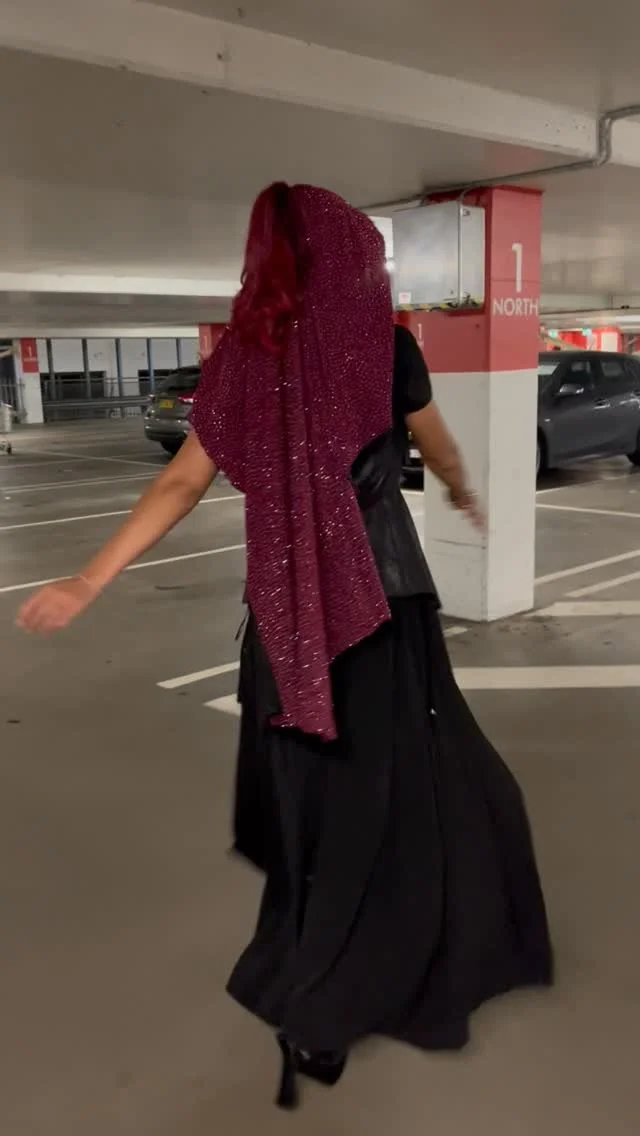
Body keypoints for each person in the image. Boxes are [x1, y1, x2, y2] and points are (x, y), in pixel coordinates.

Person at [17, 183, 552, 1109]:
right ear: (353, 260)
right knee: (411, 797)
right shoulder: (387, 349)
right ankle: (352, 987)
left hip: (287, 627)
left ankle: (316, 987)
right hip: (384, 616)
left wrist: (89, 579)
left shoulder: (242, 361)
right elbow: (434, 445)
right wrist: (462, 489)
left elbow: (180, 486)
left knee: (319, 808)